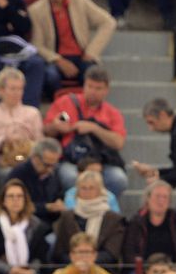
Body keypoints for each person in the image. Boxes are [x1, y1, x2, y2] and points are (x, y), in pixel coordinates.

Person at [29, 0, 117, 99]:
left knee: (94, 77)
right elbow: (37, 44)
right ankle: (60, 106)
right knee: (50, 76)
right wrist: (58, 60)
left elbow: (108, 22)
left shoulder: (80, 0)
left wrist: (92, 52)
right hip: (55, 57)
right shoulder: (36, 10)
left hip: (82, 55)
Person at [43, 66, 127, 198]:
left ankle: (102, 212)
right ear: (84, 85)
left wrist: (94, 128)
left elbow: (119, 143)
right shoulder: (66, 102)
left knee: (118, 179)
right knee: (70, 178)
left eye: (98, 88)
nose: (93, 91)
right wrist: (56, 126)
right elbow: (45, 132)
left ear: (107, 90)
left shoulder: (113, 113)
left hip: (100, 162)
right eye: (90, 86)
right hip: (71, 160)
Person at [121, 179, 176, 274]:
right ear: (148, 198)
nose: (161, 200)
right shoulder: (136, 221)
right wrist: (145, 271)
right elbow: (129, 251)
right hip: (143, 270)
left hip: (174, 269)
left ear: (169, 201)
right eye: (157, 196)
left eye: (165, 197)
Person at [0, 67, 44, 178]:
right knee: (10, 174)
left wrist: (27, 143)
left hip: (25, 159)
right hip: (1, 162)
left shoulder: (33, 113)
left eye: (20, 89)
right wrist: (4, 140)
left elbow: (40, 143)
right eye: (13, 89)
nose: (17, 93)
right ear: (0, 90)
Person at [52, 169, 125, 265]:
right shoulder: (67, 217)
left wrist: (87, 262)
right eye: (83, 188)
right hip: (70, 267)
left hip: (102, 270)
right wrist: (76, 262)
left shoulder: (114, 219)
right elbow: (59, 252)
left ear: (100, 190)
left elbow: (112, 253)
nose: (87, 192)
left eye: (91, 188)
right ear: (77, 191)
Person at [7, 137, 65, 227]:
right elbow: (16, 205)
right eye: (47, 165)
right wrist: (45, 208)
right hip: (25, 222)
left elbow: (59, 193)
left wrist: (59, 201)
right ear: (35, 158)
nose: (50, 169)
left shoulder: (52, 173)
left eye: (54, 165)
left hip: (50, 221)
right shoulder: (19, 174)